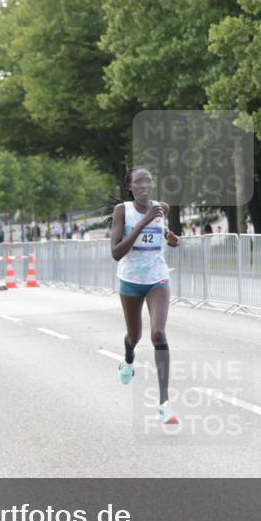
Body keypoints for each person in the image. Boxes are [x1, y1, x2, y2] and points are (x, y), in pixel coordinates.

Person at [110, 167, 181, 425]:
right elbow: (116, 252)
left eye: (148, 181)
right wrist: (143, 221)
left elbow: (164, 234)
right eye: (139, 181)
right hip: (131, 280)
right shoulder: (123, 211)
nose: (144, 185)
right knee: (135, 336)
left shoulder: (162, 208)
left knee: (158, 334)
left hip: (157, 279)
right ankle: (128, 359)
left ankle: (164, 403)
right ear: (130, 186)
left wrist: (172, 238)